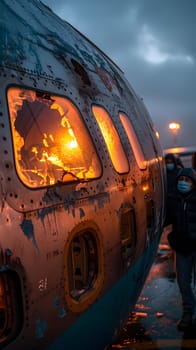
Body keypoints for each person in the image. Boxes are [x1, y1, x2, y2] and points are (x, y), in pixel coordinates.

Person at [166, 167, 196, 330]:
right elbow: (167, 219)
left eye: (187, 180)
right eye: (180, 180)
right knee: (183, 283)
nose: (183, 183)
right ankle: (188, 313)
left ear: (193, 183)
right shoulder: (173, 200)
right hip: (182, 248)